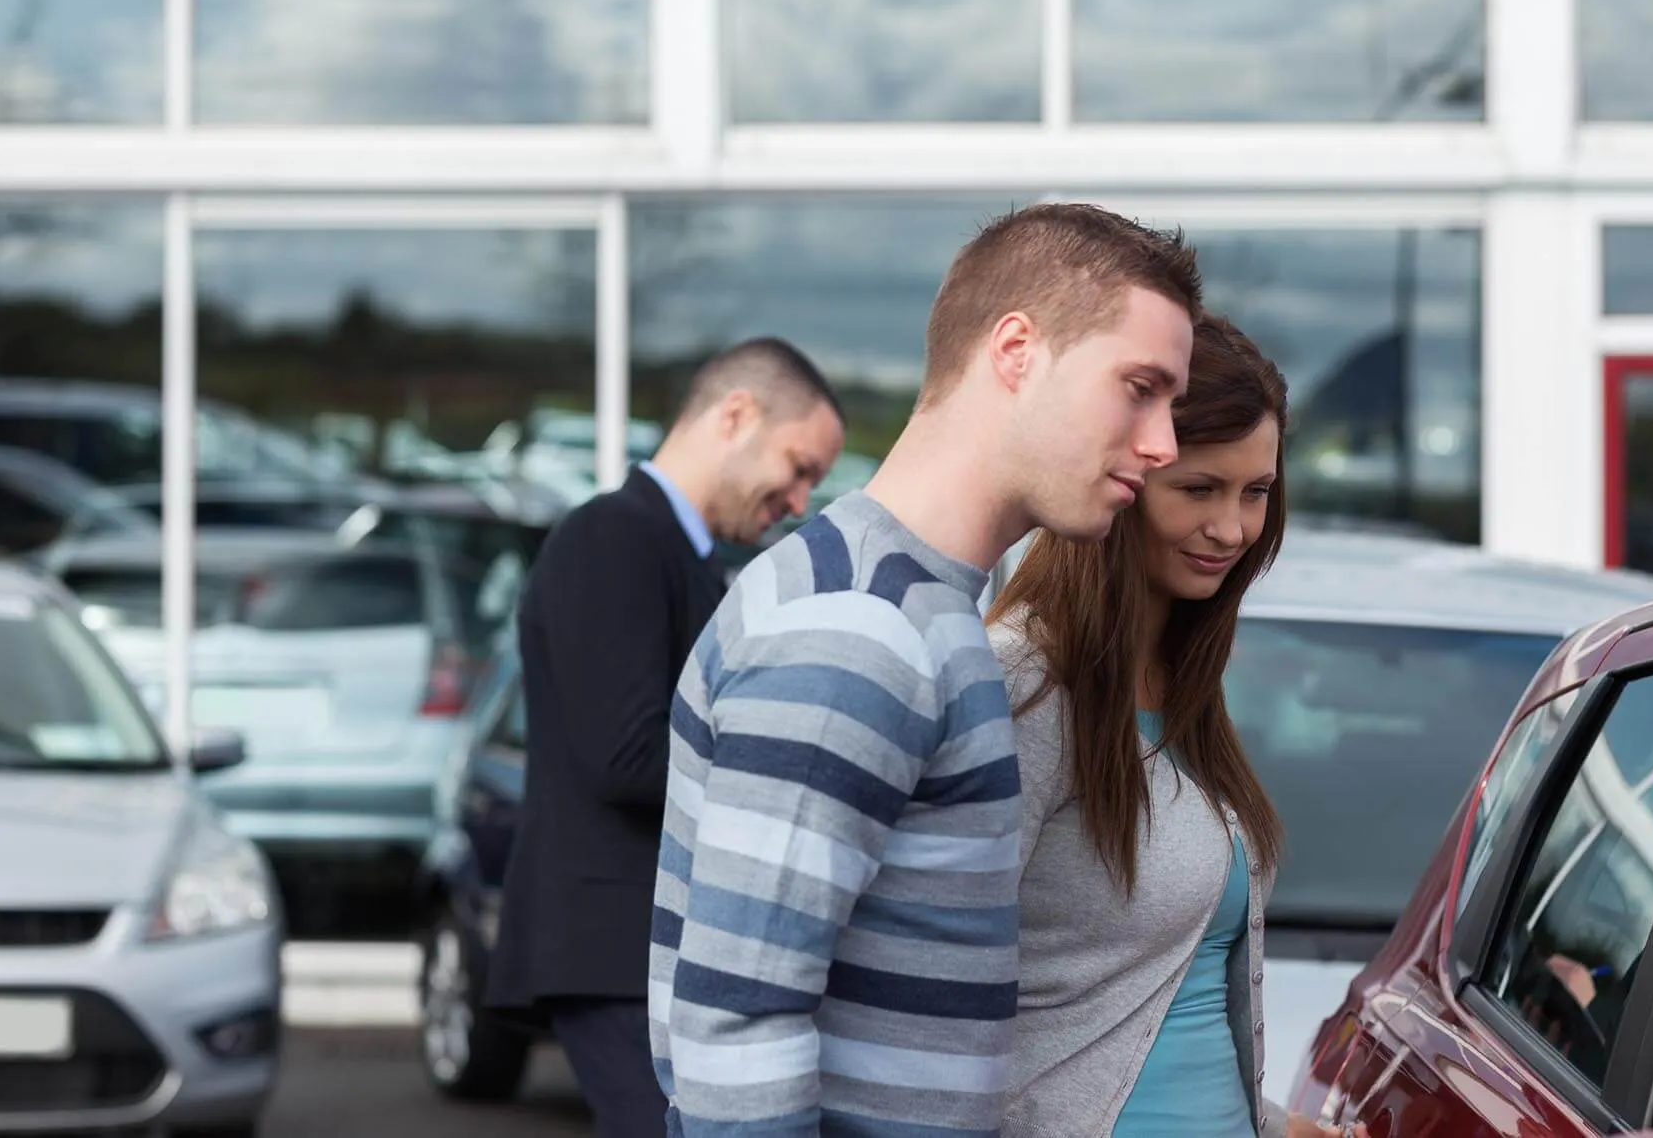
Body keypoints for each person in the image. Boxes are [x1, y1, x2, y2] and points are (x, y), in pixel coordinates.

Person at [651, 202, 1203, 1137]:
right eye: (1138, 388)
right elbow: (738, 1025)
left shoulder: (914, 605)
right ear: (1016, 351)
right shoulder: (860, 625)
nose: (1164, 445)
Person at [986, 313, 1343, 1138]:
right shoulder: (1020, 687)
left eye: (1256, 492)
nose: (1233, 529)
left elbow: (1163, 1001)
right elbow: (930, 991)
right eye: (1199, 489)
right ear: (1122, 475)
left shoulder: (1186, 686)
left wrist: (1274, 1124)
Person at [487, 336, 846, 1138]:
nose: (799, 501)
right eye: (798, 468)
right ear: (736, 415)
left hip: (639, 949)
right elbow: (626, 759)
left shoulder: (676, 552)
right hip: (615, 949)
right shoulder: (612, 536)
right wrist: (793, 771)